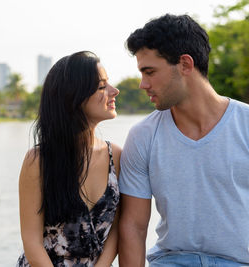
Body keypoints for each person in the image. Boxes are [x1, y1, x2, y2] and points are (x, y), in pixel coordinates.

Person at [118, 14, 249, 267]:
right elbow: (133, 226)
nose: (143, 84)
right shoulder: (143, 135)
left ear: (185, 65)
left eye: (150, 72)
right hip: (172, 261)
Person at [17, 51, 121, 266]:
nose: (114, 91)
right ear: (74, 97)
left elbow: (116, 230)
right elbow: (32, 241)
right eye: (102, 86)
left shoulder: (116, 156)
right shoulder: (39, 161)